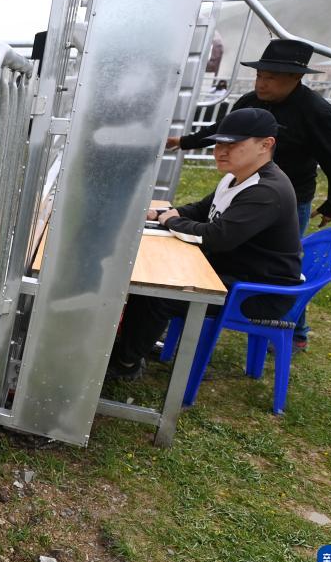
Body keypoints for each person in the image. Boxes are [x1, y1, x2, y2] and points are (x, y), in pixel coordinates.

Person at [166, 39, 331, 352]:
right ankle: (211, 297)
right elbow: (223, 129)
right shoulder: (250, 101)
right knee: (239, 248)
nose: (262, 83)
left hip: (289, 198)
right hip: (246, 188)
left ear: (296, 78)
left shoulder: (317, 111)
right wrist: (186, 142)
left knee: (280, 265)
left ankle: (292, 330)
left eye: (271, 78)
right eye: (259, 76)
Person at [107, 108, 302, 380]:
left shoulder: (267, 191)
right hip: (229, 273)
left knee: (159, 293)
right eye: (219, 143)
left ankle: (125, 363)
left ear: (265, 144)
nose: (220, 151)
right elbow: (201, 210)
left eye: (233, 144)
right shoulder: (236, 176)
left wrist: (170, 221)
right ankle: (130, 346)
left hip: (257, 293)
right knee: (151, 280)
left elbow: (216, 237)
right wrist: (164, 213)